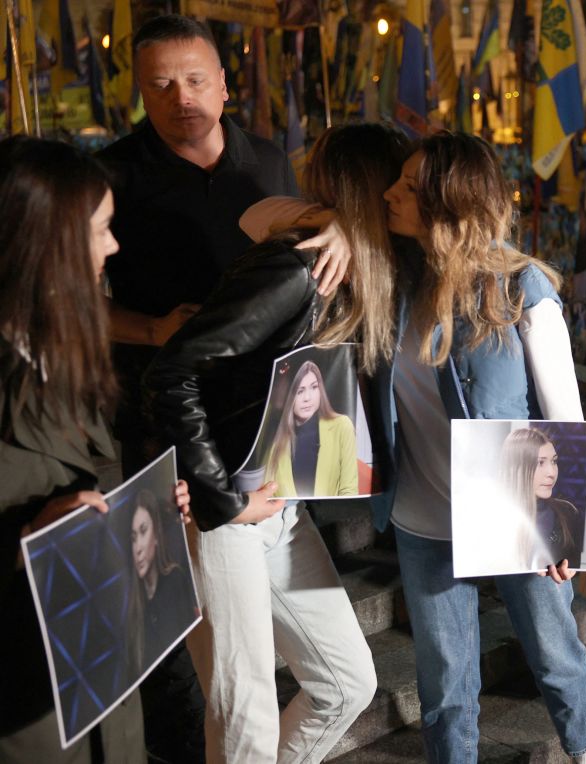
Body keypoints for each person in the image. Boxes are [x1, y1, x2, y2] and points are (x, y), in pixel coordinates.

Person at [99, 15, 350, 760]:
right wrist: (151, 328)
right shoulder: (116, 176)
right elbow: (75, 297)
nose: (182, 97)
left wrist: (338, 223)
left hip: (262, 434)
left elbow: (298, 234)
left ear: (226, 81)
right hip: (169, 427)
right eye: (161, 84)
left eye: (197, 79)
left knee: (316, 679)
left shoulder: (265, 161)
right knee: (211, 675)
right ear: (139, 93)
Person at [146, 123, 407, 762]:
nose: (408, 195)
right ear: (371, 191)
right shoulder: (297, 267)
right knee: (244, 715)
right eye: (398, 184)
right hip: (230, 508)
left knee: (348, 683)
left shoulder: (369, 266)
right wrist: (217, 497)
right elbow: (173, 369)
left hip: (283, 507)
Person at [377, 131, 586, 764]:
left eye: (410, 187)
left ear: (449, 202)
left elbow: (566, 413)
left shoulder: (520, 288)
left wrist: (571, 531)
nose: (391, 194)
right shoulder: (393, 280)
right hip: (423, 515)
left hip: (516, 510)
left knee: (556, 654)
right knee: (445, 678)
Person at [0, 136, 190, 763]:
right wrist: (27, 537)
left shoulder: (63, 344)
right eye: (101, 229)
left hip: (101, 671)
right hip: (27, 698)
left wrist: (151, 505)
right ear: (42, 242)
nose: (113, 247)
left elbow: (93, 473)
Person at [263, 360, 358, 497]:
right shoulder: (275, 440)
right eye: (299, 391)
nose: (307, 398)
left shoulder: (342, 426)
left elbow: (349, 491)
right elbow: (268, 495)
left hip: (327, 516)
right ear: (288, 395)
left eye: (314, 387)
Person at [130, 489, 197, 675]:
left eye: (144, 531)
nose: (138, 548)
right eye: (133, 537)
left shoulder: (175, 580)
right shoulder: (131, 599)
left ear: (157, 535)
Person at [500, 428, 583, 570]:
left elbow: (575, 565)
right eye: (540, 463)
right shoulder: (497, 517)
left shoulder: (567, 512)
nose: (551, 473)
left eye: (554, 461)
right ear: (516, 467)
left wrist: (570, 572)